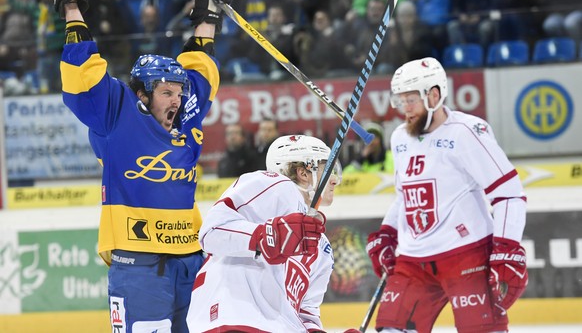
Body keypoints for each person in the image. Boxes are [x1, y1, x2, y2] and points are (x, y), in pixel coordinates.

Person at [52, 0, 233, 332]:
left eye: (179, 91)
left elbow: (201, 68)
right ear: (142, 94)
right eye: (166, 92)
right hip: (138, 264)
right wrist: (71, 6)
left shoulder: (187, 113)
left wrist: (209, 16)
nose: (177, 99)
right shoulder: (116, 114)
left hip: (191, 259)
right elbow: (83, 74)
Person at [367, 57, 528, 333]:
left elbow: (509, 194)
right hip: (413, 261)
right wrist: (387, 232)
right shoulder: (399, 138)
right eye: (399, 101)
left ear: (434, 95)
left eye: (411, 100)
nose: (404, 109)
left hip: (467, 256)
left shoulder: (466, 132)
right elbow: (404, 195)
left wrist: (507, 248)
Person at [186, 135, 358, 332]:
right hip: (237, 317)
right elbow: (211, 232)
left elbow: (305, 312)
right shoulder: (275, 186)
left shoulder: (323, 247)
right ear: (303, 172)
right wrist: (266, 236)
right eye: (328, 169)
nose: (335, 180)